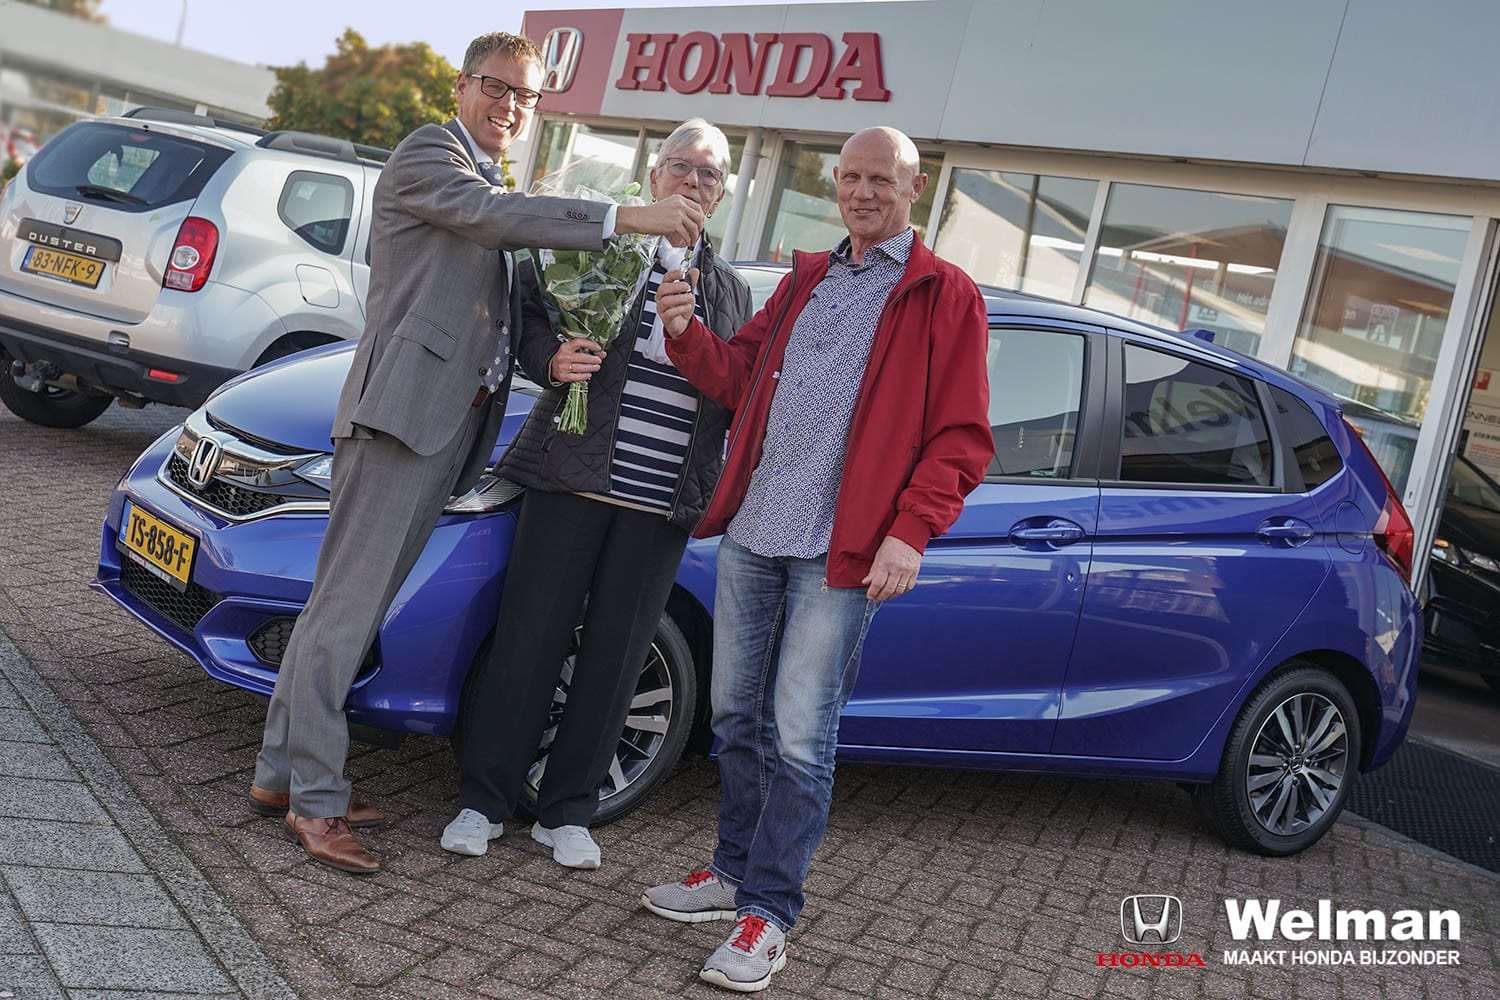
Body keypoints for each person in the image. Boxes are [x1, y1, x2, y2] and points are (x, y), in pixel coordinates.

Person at [248, 31, 703, 876]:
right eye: (497, 87)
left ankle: (281, 775)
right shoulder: (432, 155)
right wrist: (627, 218)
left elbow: (500, 298)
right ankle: (314, 798)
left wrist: (552, 356)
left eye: (526, 96)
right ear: (462, 86)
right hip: (400, 421)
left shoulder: (487, 175)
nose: (510, 106)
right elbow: (494, 218)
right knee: (344, 614)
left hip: (445, 431)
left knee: (348, 611)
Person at [643, 126, 993, 992]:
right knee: (734, 717)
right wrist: (685, 333)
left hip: (841, 552)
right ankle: (732, 873)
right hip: (757, 531)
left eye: (881, 179)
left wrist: (911, 531)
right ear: (836, 183)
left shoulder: (944, 294)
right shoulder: (808, 279)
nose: (863, 192)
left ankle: (768, 915)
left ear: (913, 187)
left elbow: (961, 436)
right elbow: (737, 376)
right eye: (851, 177)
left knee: (801, 738)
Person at [442, 119, 753, 868]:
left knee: (616, 659)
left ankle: (569, 811)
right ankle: (484, 801)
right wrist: (552, 359)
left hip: (661, 500)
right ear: (655, 176)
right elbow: (530, 318)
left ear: (721, 194)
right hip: (571, 478)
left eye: (709, 174)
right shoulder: (604, 249)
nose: (692, 182)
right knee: (530, 640)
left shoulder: (731, 291)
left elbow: (737, 388)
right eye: (681, 166)